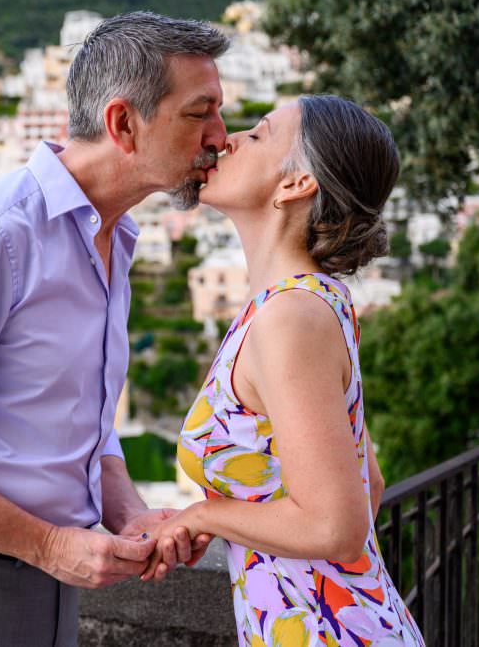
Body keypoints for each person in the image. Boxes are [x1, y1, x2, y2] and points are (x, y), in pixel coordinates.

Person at [0, 11, 228, 646]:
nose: (221, 135)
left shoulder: (116, 237)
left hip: (46, 578)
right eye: (200, 113)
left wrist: (129, 516)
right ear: (123, 124)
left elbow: (84, 424)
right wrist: (51, 545)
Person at [141, 95, 425, 645]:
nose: (230, 139)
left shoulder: (289, 318)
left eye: (260, 134)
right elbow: (369, 481)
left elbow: (335, 528)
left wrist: (202, 518)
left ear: (297, 184)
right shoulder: (311, 303)